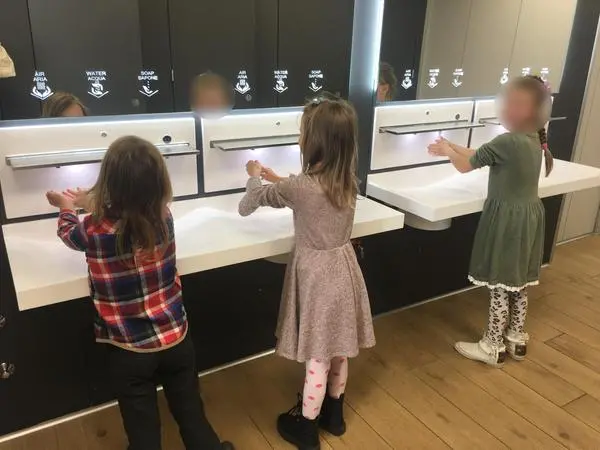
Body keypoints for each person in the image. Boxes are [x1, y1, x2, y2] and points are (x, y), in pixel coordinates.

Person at [45, 136, 234, 450]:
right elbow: (130, 209)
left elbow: (69, 234)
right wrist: (89, 202)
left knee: (142, 427)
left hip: (128, 349)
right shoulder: (164, 217)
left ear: (108, 183)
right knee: (191, 412)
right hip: (175, 338)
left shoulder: (92, 228)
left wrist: (67, 207)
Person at [238, 96, 376, 449]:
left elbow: (248, 205)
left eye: (303, 133)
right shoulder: (347, 179)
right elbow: (309, 190)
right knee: (338, 348)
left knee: (317, 356)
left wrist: (254, 177)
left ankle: (307, 428)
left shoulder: (299, 187)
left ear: (313, 141)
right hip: (344, 271)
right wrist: (277, 178)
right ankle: (335, 415)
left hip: (315, 279)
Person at [427, 75, 553, 367]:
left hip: (508, 222)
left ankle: (491, 345)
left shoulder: (507, 141)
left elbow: (465, 166)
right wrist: (453, 145)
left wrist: (447, 152)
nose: (506, 108)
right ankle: (515, 338)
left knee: (499, 282)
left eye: (514, 103)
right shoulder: (533, 138)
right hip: (529, 218)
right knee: (518, 282)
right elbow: (481, 155)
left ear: (529, 111)